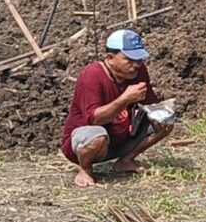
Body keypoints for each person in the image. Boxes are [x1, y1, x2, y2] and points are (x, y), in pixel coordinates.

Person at [60, 30, 174, 187]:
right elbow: (94, 119)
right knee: (97, 136)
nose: (136, 65)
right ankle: (85, 168)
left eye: (139, 59)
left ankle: (126, 160)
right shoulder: (92, 75)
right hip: (88, 143)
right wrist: (125, 99)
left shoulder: (138, 71)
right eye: (129, 59)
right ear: (110, 58)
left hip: (120, 138)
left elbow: (150, 101)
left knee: (166, 121)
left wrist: (158, 114)